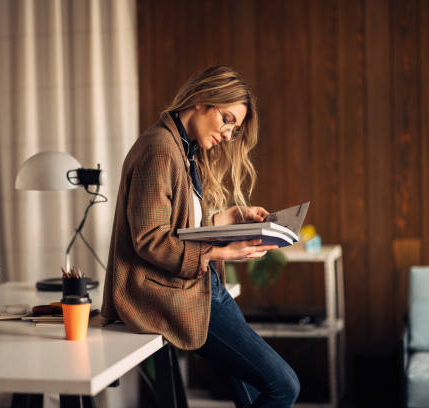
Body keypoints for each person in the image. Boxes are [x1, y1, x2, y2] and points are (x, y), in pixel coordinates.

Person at [101, 65, 300, 407]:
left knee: (253, 393)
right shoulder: (159, 149)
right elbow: (150, 240)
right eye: (227, 119)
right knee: (283, 386)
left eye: (233, 128)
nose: (227, 134)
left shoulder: (181, 148)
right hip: (175, 293)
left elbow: (182, 225)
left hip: (203, 287)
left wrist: (234, 217)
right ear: (203, 100)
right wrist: (224, 253)